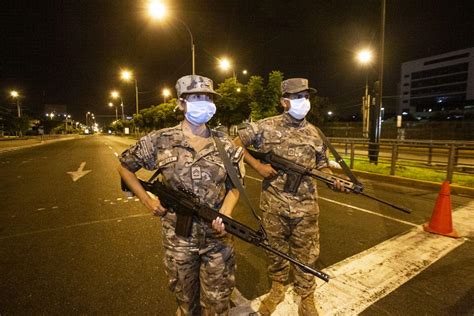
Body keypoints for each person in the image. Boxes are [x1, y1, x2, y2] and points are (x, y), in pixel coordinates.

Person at [118, 74, 245, 315]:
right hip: (178, 239)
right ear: (181, 103)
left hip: (216, 241)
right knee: (187, 304)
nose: (204, 103)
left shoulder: (225, 144)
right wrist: (147, 200)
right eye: (196, 97)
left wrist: (224, 216)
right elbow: (124, 166)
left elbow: (235, 187)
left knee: (218, 306)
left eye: (208, 97)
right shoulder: (160, 140)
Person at [235, 78, 346, 316]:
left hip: (306, 207)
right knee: (275, 251)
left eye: (306, 96)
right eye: (297, 97)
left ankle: (306, 296)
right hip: (274, 206)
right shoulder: (265, 127)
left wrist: (332, 180)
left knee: (307, 254)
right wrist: (258, 166)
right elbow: (233, 144)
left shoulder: (315, 133)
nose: (303, 101)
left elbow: (322, 165)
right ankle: (277, 287)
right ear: (284, 101)